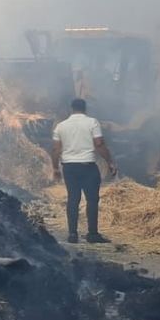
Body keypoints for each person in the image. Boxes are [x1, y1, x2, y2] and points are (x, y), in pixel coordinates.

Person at [52, 98, 117, 244]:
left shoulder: (60, 126)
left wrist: (55, 168)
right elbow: (99, 144)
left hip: (69, 167)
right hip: (88, 167)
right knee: (92, 200)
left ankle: (72, 234)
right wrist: (110, 162)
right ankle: (92, 234)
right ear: (85, 109)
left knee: (73, 199)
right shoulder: (92, 122)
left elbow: (56, 149)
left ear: (71, 109)